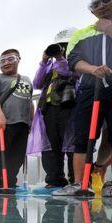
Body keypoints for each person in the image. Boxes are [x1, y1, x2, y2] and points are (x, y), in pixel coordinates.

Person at [54, 0, 112, 197]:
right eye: (96, 4)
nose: (102, 7)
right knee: (83, 136)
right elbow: (73, 59)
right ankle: (80, 183)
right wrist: (92, 69)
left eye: (107, 0)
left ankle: (111, 184)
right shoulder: (83, 33)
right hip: (90, 89)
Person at [32, 29, 77, 194]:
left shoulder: (76, 59)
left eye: (65, 45)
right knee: (51, 145)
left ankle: (76, 179)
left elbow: (69, 71)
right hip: (49, 108)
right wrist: (44, 62)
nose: (62, 48)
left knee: (73, 143)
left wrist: (59, 57)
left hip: (69, 106)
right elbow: (37, 83)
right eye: (59, 46)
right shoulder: (50, 64)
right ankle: (54, 179)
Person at [0, 49, 34, 192]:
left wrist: (31, 121)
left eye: (10, 59)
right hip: (2, 124)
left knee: (17, 157)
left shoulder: (26, 79)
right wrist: (0, 116)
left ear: (18, 59)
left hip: (22, 123)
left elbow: (30, 102)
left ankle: (10, 183)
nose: (6, 63)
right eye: (2, 61)